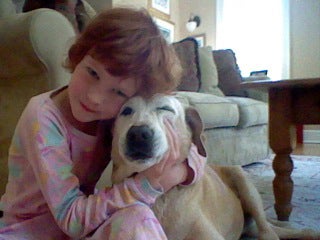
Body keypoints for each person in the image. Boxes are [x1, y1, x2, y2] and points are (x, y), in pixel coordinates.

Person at [0, 7, 206, 240]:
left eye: (118, 91)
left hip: (87, 227)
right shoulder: (42, 117)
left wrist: (180, 172)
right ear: (79, 55)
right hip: (26, 232)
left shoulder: (117, 117)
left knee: (137, 216)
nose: (95, 97)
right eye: (92, 73)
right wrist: (147, 184)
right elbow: (72, 219)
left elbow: (197, 152)